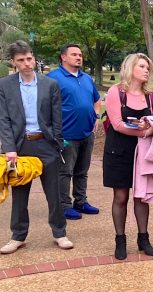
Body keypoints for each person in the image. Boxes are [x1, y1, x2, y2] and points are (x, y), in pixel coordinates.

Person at [0, 40, 74, 254]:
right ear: (13, 62)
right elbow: (4, 119)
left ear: (34, 58)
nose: (26, 63)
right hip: (20, 146)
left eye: (29, 58)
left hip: (46, 144)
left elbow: (56, 118)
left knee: (54, 192)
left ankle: (60, 233)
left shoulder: (49, 84)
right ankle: (18, 236)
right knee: (20, 194)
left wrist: (58, 144)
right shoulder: (5, 85)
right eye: (21, 60)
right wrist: (9, 147)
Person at [103, 53, 153, 260]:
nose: (147, 70)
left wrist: (149, 129)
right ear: (130, 68)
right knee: (120, 196)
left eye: (148, 68)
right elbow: (117, 124)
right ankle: (120, 239)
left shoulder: (151, 96)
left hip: (143, 153)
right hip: (118, 151)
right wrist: (143, 131)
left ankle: (143, 238)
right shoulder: (115, 92)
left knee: (141, 196)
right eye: (142, 66)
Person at [47, 44, 101, 220]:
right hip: (66, 135)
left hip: (86, 133)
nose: (79, 57)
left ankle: (81, 201)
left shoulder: (86, 78)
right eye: (74, 54)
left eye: (80, 54)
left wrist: (97, 117)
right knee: (64, 172)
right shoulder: (53, 78)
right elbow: (44, 106)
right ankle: (64, 205)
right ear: (63, 57)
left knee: (82, 171)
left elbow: (97, 100)